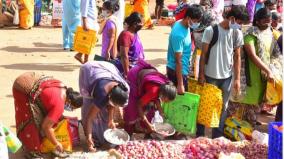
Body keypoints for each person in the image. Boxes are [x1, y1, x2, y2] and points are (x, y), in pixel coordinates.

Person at [197, 5, 249, 138]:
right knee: (205, 105)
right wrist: (201, 74)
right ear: (232, 18)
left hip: (227, 78)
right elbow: (203, 54)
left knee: (223, 108)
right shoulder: (211, 30)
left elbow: (237, 56)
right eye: (239, 23)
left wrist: (237, 79)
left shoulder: (237, 33)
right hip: (210, 76)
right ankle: (200, 135)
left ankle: (217, 136)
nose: (240, 26)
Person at [12, 72, 83, 158]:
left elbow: (49, 102)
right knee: (31, 122)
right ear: (69, 102)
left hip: (33, 79)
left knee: (49, 118)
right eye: (72, 108)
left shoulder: (64, 89)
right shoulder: (59, 105)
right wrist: (56, 144)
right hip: (22, 87)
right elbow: (46, 127)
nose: (70, 110)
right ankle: (33, 151)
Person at [235, 8, 281, 125]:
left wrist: (275, 71)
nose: (267, 23)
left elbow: (276, 55)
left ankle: (249, 129)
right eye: (265, 21)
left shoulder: (271, 33)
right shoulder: (250, 33)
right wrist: (268, 71)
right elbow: (252, 55)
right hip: (250, 76)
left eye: (269, 21)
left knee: (256, 106)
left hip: (263, 78)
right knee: (244, 105)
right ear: (257, 21)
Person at [79, 61, 129, 152]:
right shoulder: (102, 94)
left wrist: (111, 120)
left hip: (107, 69)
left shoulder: (123, 88)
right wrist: (89, 137)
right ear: (109, 96)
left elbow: (112, 104)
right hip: (89, 71)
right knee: (89, 107)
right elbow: (90, 118)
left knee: (104, 111)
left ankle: (100, 132)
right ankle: (92, 139)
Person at [124, 60, 177, 135]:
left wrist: (161, 112)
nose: (166, 102)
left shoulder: (166, 85)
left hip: (146, 76)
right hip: (134, 76)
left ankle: (140, 127)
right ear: (164, 96)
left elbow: (157, 98)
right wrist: (147, 123)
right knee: (132, 108)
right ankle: (128, 131)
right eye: (167, 101)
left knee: (149, 107)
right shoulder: (154, 91)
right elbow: (139, 104)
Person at [167, 4, 203, 95]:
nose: (197, 23)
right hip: (177, 72)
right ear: (188, 18)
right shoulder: (178, 35)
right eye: (196, 21)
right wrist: (180, 84)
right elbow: (178, 61)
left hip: (182, 70)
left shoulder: (182, 24)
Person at [114, 12, 145, 76]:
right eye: (141, 23)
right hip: (127, 69)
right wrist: (127, 73)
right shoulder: (126, 35)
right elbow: (124, 55)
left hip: (136, 66)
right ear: (134, 24)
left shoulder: (134, 33)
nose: (142, 25)